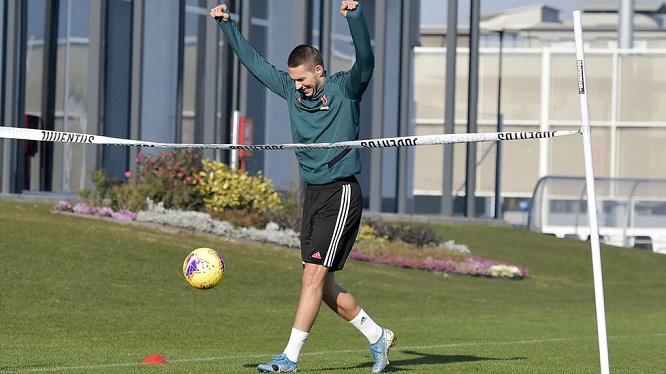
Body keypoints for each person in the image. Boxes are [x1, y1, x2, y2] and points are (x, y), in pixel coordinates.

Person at [210, 1, 395, 373]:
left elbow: (367, 60)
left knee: (313, 277)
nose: (297, 86)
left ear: (319, 70)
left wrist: (355, 17)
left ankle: (289, 359)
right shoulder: (293, 92)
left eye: (303, 79)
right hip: (313, 195)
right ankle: (378, 335)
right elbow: (255, 63)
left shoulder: (346, 89)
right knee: (322, 286)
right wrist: (227, 25)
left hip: (341, 191)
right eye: (293, 80)